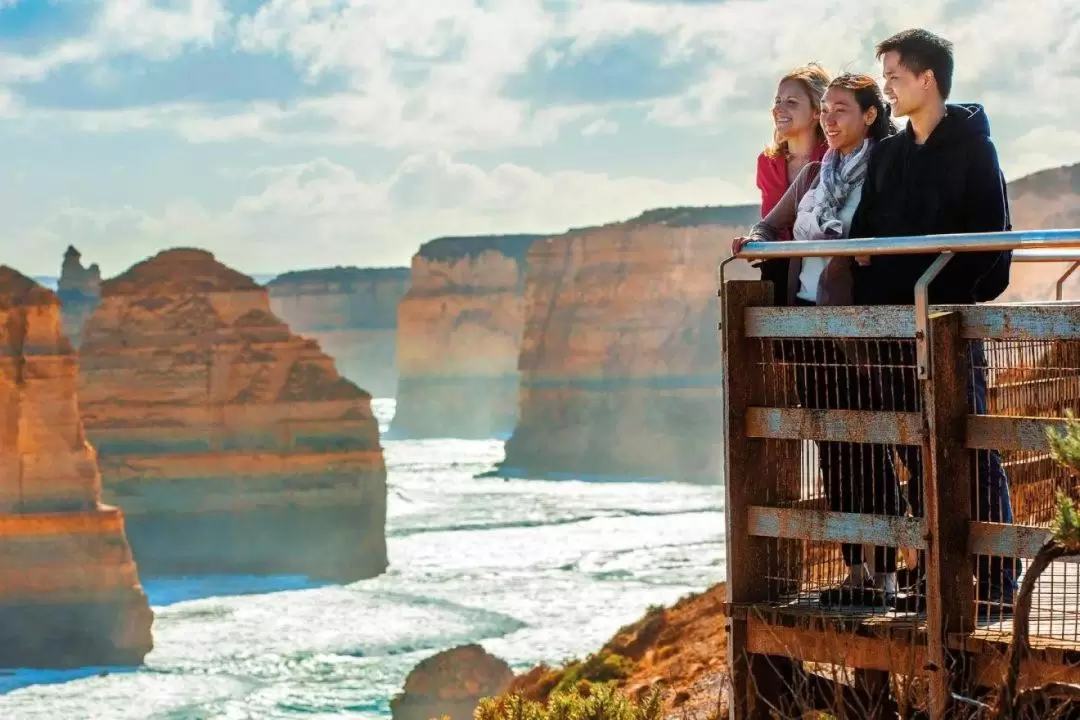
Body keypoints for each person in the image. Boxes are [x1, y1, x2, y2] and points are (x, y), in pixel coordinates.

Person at [848, 28, 1019, 616]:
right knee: (914, 453)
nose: (888, 86)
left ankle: (998, 581)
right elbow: (866, 236)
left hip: (949, 327)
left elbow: (993, 240)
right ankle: (937, 575)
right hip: (895, 328)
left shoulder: (976, 148)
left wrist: (952, 299)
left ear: (928, 79)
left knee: (968, 446)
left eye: (894, 75)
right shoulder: (890, 153)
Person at [733, 73, 900, 607]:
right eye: (825, 110)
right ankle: (854, 571)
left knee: (868, 448)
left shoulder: (881, 172)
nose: (828, 118)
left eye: (839, 109)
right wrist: (752, 241)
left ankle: (888, 576)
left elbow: (891, 234)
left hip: (855, 329)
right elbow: (769, 224)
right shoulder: (812, 174)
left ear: (869, 115)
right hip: (807, 325)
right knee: (833, 448)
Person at [754, 63, 831, 306]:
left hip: (825, 267)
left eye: (791, 102)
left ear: (817, 112)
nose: (779, 108)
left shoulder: (832, 157)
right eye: (777, 100)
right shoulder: (768, 162)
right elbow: (770, 221)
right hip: (778, 266)